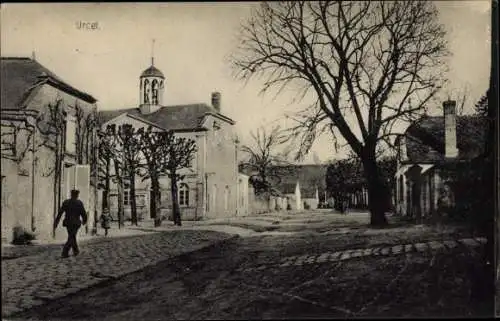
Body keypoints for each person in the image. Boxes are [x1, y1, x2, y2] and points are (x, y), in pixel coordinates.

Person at [54, 189, 87, 258]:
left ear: (71, 195)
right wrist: (84, 220)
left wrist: (56, 222)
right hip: (76, 223)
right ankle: (65, 252)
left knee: (72, 236)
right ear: (77, 195)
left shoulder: (66, 202)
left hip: (68, 223)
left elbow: (60, 212)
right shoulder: (79, 203)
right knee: (72, 237)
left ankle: (76, 250)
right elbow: (83, 213)